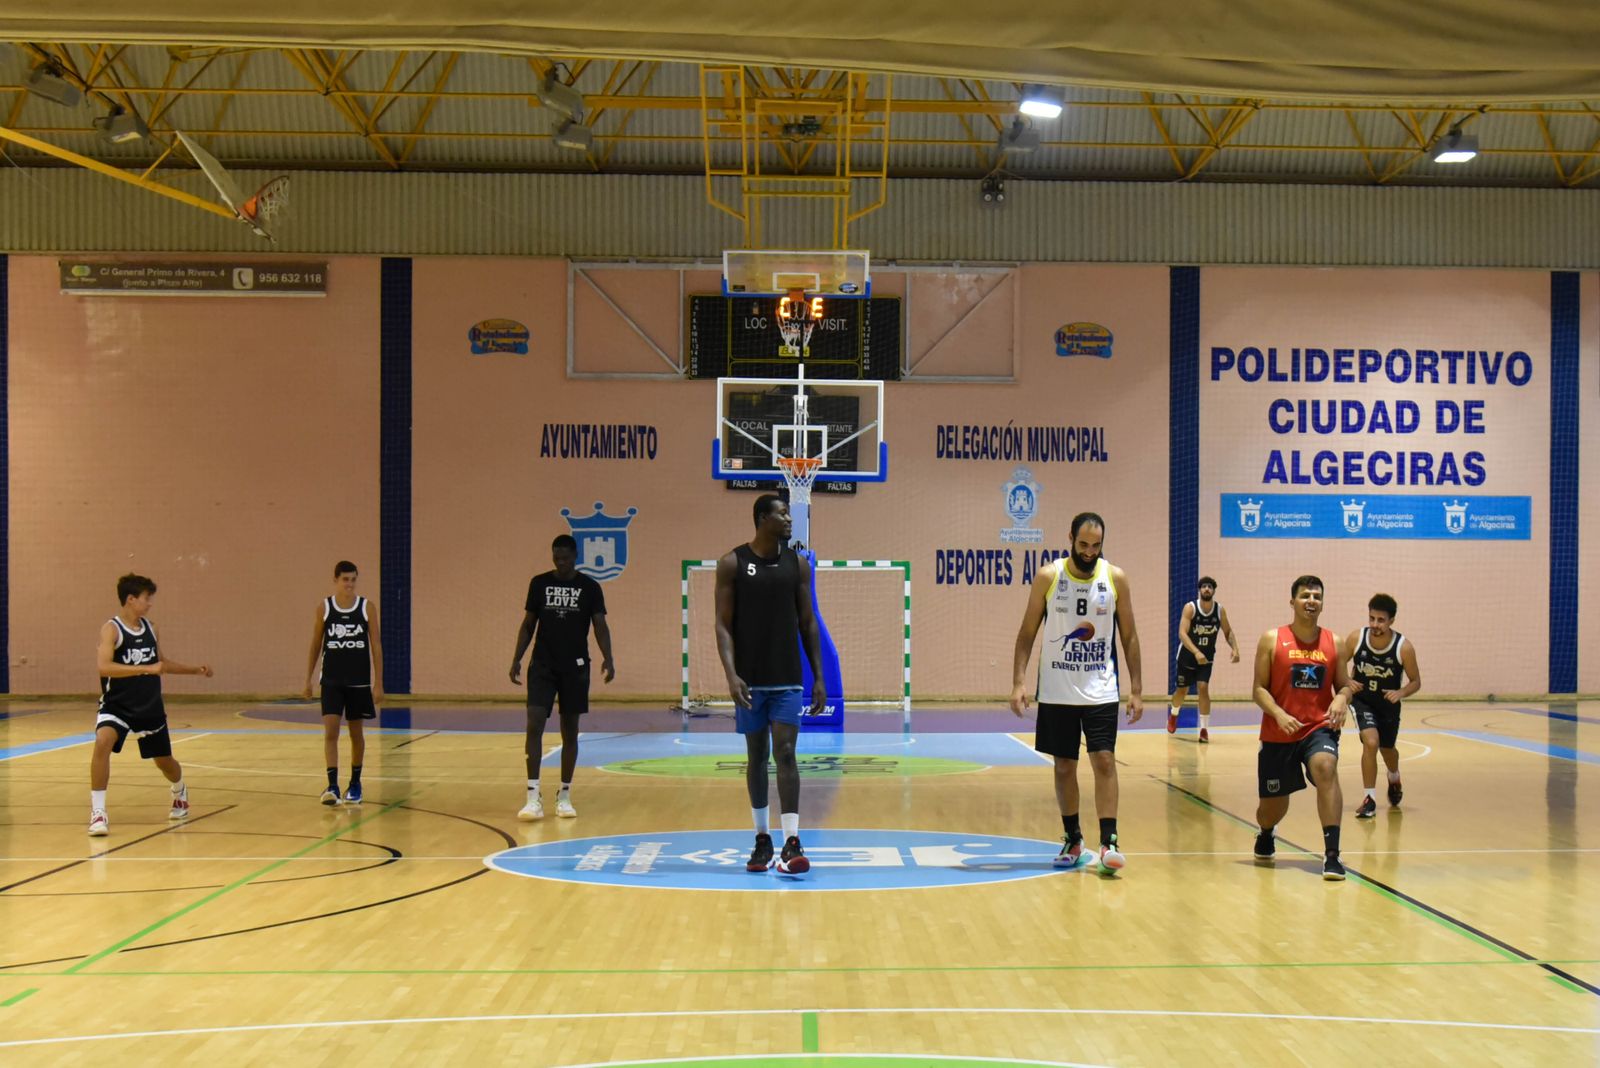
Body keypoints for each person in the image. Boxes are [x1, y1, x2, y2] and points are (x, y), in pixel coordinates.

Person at [1010, 512, 1144, 874]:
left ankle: (1109, 842)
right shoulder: (1048, 577)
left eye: (1096, 545)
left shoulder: (1115, 578)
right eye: (1083, 544)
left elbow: (1129, 636)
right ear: (1070, 537)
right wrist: (1019, 682)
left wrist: (1136, 689)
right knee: (1064, 765)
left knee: (1104, 760)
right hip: (1057, 689)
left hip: (1101, 688)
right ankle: (1073, 838)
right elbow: (1026, 632)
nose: (1089, 552)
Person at [714, 493, 827, 876]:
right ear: (762, 519)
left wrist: (819, 676)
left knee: (786, 752)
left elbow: (808, 622)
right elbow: (722, 625)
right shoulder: (732, 563)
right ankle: (762, 838)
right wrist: (731, 674)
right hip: (750, 680)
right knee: (757, 756)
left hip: (787, 678)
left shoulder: (798, 564)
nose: (789, 519)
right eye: (782, 514)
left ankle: (792, 840)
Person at [89, 573, 213, 836]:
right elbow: (104, 667)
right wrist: (145, 668)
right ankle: (98, 813)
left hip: (148, 706)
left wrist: (195, 670)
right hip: (117, 705)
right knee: (102, 741)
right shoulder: (111, 629)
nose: (149, 603)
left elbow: (161, 663)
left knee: (164, 761)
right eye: (146, 598)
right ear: (131, 599)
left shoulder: (151, 628)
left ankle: (179, 789)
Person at [1251, 575, 1356, 881]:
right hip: (1279, 731)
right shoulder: (1272, 639)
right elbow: (1258, 689)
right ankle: (1266, 832)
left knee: (1326, 767)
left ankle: (1332, 855)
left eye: (1317, 597)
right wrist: (1278, 714)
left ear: (1322, 604)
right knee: (1271, 809)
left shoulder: (1334, 642)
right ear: (1292, 602)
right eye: (1305, 595)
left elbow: (1345, 685)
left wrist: (1341, 698)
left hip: (1318, 728)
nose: (1312, 601)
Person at [510, 534, 614, 820]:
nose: (561, 563)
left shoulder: (589, 587)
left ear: (575, 556)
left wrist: (608, 657)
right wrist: (517, 657)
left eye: (566, 558)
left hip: (575, 668)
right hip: (542, 666)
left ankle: (564, 795)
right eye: (557, 558)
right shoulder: (539, 583)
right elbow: (528, 624)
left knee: (570, 731)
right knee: (534, 724)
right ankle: (533, 796)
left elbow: (600, 625)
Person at [302, 560, 384, 805]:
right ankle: (332, 786)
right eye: (345, 579)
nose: (349, 584)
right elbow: (315, 644)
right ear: (335, 580)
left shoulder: (367, 607)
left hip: (358, 682)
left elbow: (376, 645)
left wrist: (378, 682)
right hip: (331, 681)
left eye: (353, 579)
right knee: (331, 731)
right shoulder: (325, 608)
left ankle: (355, 783)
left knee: (356, 734)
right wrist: (307, 679)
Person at [1345, 594, 1421, 818]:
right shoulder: (1356, 638)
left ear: (1391, 621)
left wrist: (1401, 692)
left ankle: (1394, 775)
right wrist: (1347, 681)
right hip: (1362, 701)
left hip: (1388, 705)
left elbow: (1416, 681)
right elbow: (1337, 664)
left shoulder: (1403, 647)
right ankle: (1369, 799)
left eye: (1381, 620)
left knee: (1388, 750)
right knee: (1371, 742)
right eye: (1372, 618)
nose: (1375, 624)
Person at [1166, 576, 1239, 743]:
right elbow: (1182, 634)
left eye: (1210, 587)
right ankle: (1174, 715)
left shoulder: (1219, 610)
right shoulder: (1190, 608)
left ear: (1214, 591)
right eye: (1204, 586)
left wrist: (1235, 648)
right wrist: (1196, 652)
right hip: (1187, 656)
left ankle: (1204, 729)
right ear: (1199, 590)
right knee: (1182, 691)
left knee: (1203, 687)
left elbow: (1228, 632)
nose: (1207, 589)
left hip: (1206, 657)